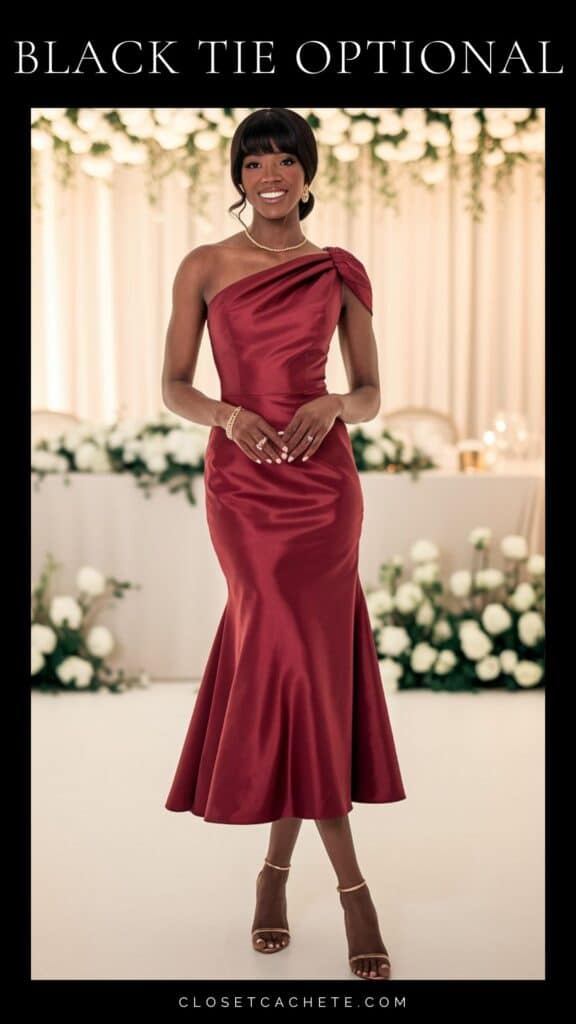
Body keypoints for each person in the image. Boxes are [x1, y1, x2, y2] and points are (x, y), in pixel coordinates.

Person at [162, 107, 407, 981]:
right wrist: (228, 416)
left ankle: (276, 873)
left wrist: (335, 403)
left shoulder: (338, 270)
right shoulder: (205, 265)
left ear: (308, 174)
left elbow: (371, 391)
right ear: (238, 177)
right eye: (254, 162)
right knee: (288, 661)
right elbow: (174, 386)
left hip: (323, 491)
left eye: (285, 161)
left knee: (308, 672)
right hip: (243, 489)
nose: (270, 175)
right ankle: (352, 889)